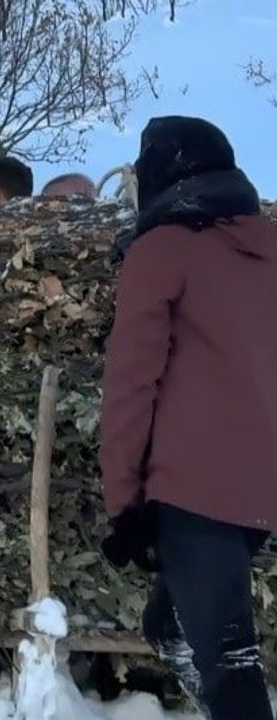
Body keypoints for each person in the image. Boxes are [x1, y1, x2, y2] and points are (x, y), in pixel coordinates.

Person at [99, 115, 277, 719]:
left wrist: (124, 503)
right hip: (257, 492)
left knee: (230, 665)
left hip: (193, 492)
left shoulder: (162, 250)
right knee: (168, 627)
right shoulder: (267, 250)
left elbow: (131, 383)